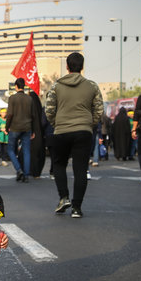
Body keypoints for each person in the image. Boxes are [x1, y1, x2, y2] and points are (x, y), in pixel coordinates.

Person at [45, 52, 103, 218]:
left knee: (59, 164)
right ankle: (77, 207)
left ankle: (63, 198)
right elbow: (99, 110)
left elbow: (49, 110)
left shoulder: (56, 86)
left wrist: (57, 124)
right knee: (80, 169)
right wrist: (88, 124)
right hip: (83, 131)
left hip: (61, 131)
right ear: (82, 67)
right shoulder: (92, 86)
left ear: (67, 67)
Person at [6, 77, 34, 183]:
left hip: (15, 127)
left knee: (10, 150)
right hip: (27, 127)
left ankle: (19, 169)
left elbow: (10, 114)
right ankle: (26, 174)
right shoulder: (29, 98)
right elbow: (33, 115)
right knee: (27, 151)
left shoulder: (12, 98)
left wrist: (6, 127)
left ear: (16, 86)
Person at [26, 91, 46, 178]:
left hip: (31, 133)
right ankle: (37, 172)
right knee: (39, 153)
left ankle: (31, 171)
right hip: (40, 134)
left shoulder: (30, 108)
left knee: (30, 153)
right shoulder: (40, 109)